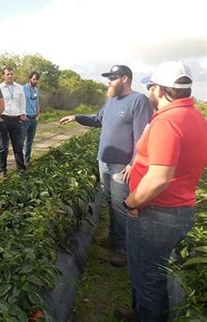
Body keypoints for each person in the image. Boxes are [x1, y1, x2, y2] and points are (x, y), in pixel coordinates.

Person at [115, 61, 207, 322]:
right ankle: (138, 312)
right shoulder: (196, 117)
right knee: (153, 273)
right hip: (178, 209)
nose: (149, 91)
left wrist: (131, 202)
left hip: (155, 213)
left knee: (148, 278)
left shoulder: (168, 122)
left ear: (162, 90)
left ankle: (146, 315)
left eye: (151, 86)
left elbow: (158, 178)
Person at [59, 65, 152, 266]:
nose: (108, 81)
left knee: (121, 206)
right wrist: (77, 117)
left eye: (112, 77)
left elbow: (143, 137)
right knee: (110, 201)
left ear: (125, 79)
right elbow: (98, 120)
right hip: (104, 161)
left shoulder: (139, 101)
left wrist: (132, 162)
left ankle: (123, 250)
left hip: (122, 165)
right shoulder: (111, 101)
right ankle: (113, 238)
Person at [0, 66, 26, 176]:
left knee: (18, 146)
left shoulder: (20, 87)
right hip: (3, 119)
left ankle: (21, 169)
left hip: (16, 119)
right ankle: (2, 170)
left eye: (11, 74)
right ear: (3, 75)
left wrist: (23, 113)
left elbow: (22, 102)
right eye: (7, 74)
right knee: (3, 147)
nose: (10, 76)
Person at [22, 71, 41, 165]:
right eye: (34, 79)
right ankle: (20, 161)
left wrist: (38, 114)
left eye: (37, 79)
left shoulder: (36, 90)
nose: (35, 81)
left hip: (34, 118)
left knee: (30, 141)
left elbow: (37, 103)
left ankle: (27, 160)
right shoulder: (23, 88)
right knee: (22, 140)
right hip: (25, 118)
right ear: (30, 79)